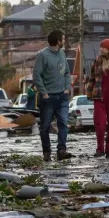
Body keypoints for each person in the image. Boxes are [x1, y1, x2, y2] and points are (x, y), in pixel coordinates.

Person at [33, 30, 73, 162]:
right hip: (48, 98)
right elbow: (36, 76)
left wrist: (67, 88)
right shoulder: (42, 55)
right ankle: (46, 152)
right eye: (63, 39)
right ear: (58, 41)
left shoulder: (62, 53)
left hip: (62, 96)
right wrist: (44, 93)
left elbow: (67, 72)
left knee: (63, 124)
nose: (64, 41)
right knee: (45, 127)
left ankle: (62, 150)